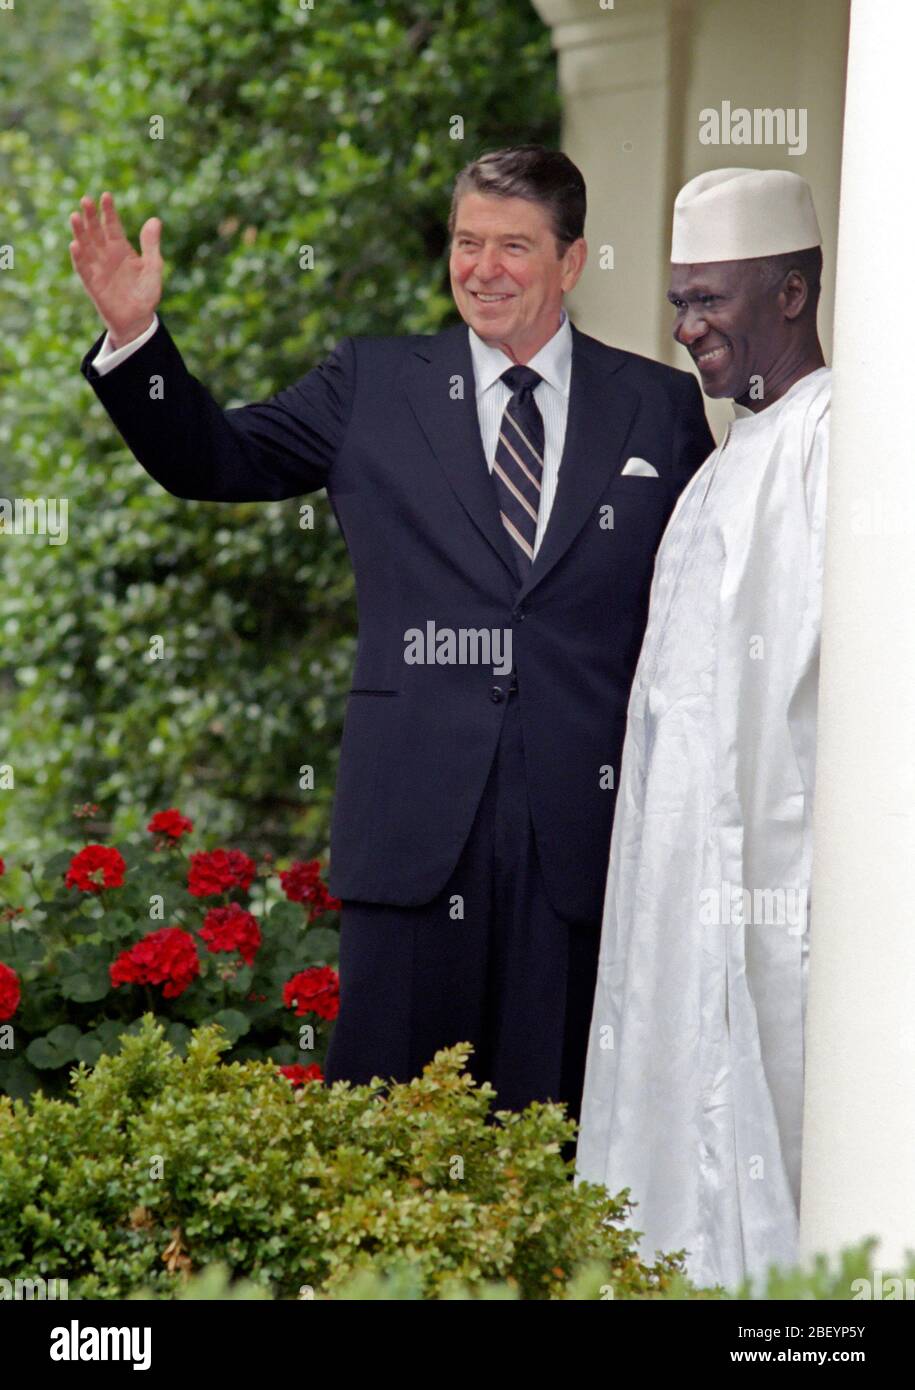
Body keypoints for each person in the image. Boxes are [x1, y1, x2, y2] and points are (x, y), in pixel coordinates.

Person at [71, 146, 713, 1121]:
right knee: (384, 1128)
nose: (482, 267)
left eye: (513, 246)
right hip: (414, 831)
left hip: (584, 841)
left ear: (572, 262)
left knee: (562, 1134)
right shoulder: (371, 383)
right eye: (465, 242)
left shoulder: (659, 409)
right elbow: (214, 458)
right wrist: (137, 339)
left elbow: (703, 612)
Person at [576, 167, 831, 1284]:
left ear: (789, 292)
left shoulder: (840, 444)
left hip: (777, 886)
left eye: (712, 300)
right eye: (679, 302)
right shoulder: (716, 472)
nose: (687, 329)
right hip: (678, 894)